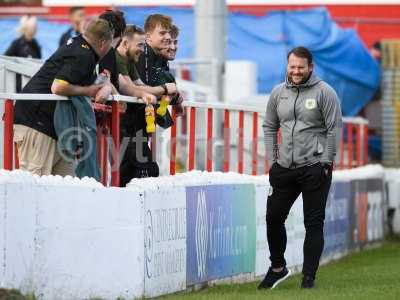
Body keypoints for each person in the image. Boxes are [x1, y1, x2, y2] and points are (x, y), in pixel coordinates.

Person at [260, 46, 342, 290]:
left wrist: (326, 163)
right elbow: (269, 126)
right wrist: (272, 161)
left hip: (314, 167)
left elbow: (334, 128)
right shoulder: (278, 92)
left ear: (310, 68)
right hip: (284, 168)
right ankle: (277, 268)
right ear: (287, 66)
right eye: (292, 66)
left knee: (313, 223)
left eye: (300, 67)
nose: (296, 71)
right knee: (273, 218)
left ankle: (308, 279)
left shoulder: (325, 92)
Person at [13, 18, 114, 176]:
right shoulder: (83, 54)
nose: (110, 49)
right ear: (102, 42)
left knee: (66, 185)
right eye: (111, 45)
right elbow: (58, 86)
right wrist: (90, 91)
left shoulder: (80, 47)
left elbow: (94, 80)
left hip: (54, 127)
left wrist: (106, 86)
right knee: (35, 184)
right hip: (37, 122)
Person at [115, 25, 178, 186]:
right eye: (140, 45)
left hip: (129, 126)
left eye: (174, 41)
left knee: (136, 171)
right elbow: (129, 88)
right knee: (145, 169)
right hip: (122, 125)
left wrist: (161, 93)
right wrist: (163, 89)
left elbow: (140, 86)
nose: (171, 45)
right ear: (125, 43)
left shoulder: (129, 60)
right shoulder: (117, 59)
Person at [4, 15, 42, 92]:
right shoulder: (17, 43)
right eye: (32, 27)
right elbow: (6, 59)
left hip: (32, 80)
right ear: (25, 28)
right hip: (18, 81)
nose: (34, 29)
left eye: (35, 26)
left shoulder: (35, 43)